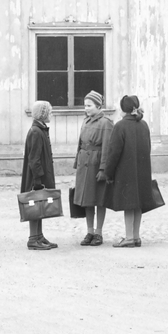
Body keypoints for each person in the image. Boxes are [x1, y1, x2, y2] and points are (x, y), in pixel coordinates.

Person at [103, 94, 156, 247]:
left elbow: (113, 153)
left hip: (125, 172)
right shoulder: (144, 125)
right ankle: (136, 236)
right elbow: (148, 148)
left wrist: (108, 172)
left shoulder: (120, 126)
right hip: (142, 170)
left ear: (123, 109)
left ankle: (129, 237)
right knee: (138, 204)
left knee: (128, 205)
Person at [72, 90, 113, 246]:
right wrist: (77, 162)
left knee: (99, 199)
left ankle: (98, 232)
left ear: (98, 106)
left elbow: (107, 148)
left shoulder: (106, 123)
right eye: (85, 105)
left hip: (96, 164)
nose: (86, 108)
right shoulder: (86, 121)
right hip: (84, 164)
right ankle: (89, 231)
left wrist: (103, 169)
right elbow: (80, 144)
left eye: (89, 105)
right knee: (87, 199)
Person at [21, 100, 57, 250]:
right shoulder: (36, 132)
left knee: (39, 204)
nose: (51, 114)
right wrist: (37, 180)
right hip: (36, 178)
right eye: (50, 112)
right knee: (34, 205)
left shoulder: (40, 129)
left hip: (39, 176)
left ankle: (39, 235)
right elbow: (34, 159)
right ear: (43, 114)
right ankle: (33, 239)